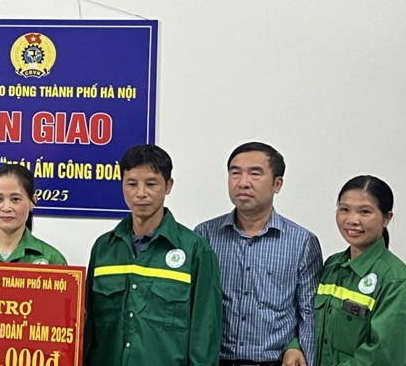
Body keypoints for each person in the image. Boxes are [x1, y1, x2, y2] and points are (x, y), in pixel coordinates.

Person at [84, 144, 222, 365]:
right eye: (131, 184)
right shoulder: (104, 248)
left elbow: (204, 334)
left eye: (151, 184)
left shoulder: (195, 250)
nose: (140, 193)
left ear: (168, 186)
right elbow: (89, 327)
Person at [195, 142, 323, 366]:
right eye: (235, 173)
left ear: (277, 184)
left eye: (255, 174)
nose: (243, 182)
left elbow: (309, 314)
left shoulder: (302, 242)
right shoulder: (204, 235)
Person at [294, 175, 406, 365]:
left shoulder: (394, 279)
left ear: (387, 218)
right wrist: (293, 345)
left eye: (364, 211)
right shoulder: (332, 265)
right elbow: (308, 318)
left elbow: (383, 356)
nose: (352, 220)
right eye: (344, 209)